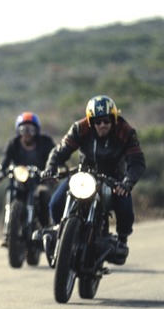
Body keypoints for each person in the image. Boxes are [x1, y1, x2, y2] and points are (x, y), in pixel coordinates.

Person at [43, 95, 146, 264]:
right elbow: (60, 152)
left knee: (125, 207)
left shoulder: (126, 132)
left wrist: (127, 182)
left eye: (106, 120)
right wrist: (50, 168)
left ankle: (122, 240)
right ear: (91, 122)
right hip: (84, 175)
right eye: (97, 121)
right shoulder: (80, 128)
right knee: (55, 203)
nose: (102, 125)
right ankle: (59, 233)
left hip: (114, 178)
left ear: (113, 119)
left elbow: (137, 162)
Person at [0, 112, 56, 245]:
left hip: (41, 180)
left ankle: (46, 229)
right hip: (20, 180)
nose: (27, 133)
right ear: (18, 130)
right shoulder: (13, 143)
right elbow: (4, 161)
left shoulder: (45, 142)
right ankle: (7, 232)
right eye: (23, 129)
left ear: (36, 130)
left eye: (31, 129)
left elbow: (55, 158)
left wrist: (53, 171)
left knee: (43, 193)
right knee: (11, 192)